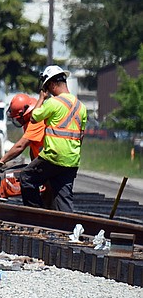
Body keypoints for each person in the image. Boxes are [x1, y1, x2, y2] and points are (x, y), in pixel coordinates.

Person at [17, 64, 87, 213]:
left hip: (53, 156)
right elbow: (81, 136)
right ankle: (68, 229)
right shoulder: (81, 107)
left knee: (26, 178)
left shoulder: (53, 102)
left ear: (53, 84)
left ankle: (36, 216)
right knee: (63, 198)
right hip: (72, 160)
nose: (48, 92)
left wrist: (42, 98)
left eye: (48, 88)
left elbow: (34, 117)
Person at [0, 93, 47, 205]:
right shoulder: (29, 120)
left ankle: (34, 212)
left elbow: (21, 146)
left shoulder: (36, 120)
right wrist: (32, 164)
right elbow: (32, 147)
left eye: (18, 118)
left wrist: (1, 161)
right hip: (43, 159)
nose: (18, 121)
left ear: (24, 113)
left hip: (49, 159)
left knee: (26, 177)